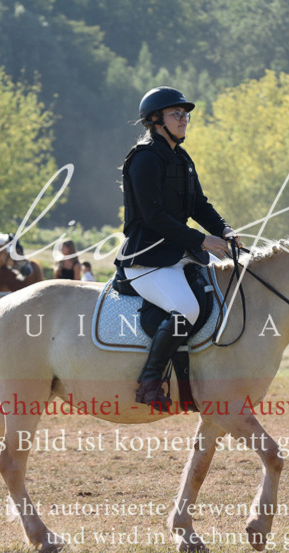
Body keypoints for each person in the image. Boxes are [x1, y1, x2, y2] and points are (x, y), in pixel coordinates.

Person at [117, 86, 238, 409]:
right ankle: (150, 382)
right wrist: (201, 240)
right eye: (177, 114)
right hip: (147, 258)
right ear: (156, 120)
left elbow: (199, 205)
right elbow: (153, 216)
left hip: (179, 255)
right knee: (187, 309)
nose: (184, 120)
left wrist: (223, 230)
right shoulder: (143, 159)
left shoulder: (181, 158)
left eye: (186, 115)